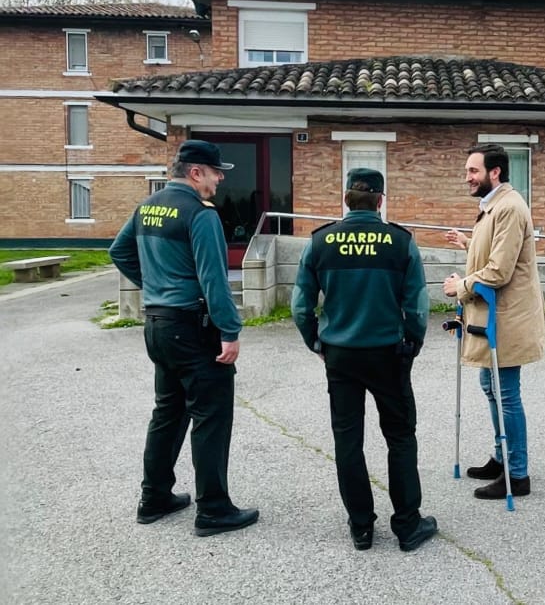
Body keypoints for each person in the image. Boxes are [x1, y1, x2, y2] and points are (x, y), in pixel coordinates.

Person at [109, 139, 259, 537]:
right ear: (195, 172)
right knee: (210, 417)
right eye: (215, 172)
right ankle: (213, 510)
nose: (220, 178)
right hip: (192, 328)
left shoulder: (148, 206)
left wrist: (155, 287)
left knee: (168, 413)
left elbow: (119, 252)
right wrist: (230, 331)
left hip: (158, 325)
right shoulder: (200, 214)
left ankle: (154, 497)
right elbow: (215, 280)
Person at [292, 168, 438, 552]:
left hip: (340, 355)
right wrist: (414, 342)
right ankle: (408, 525)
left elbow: (300, 304)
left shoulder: (320, 242)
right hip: (388, 353)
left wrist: (317, 342)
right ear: (380, 200)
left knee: (348, 440)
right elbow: (418, 305)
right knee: (401, 437)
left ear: (345, 199)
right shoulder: (400, 241)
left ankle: (361, 526)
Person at [443, 144, 545, 500]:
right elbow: (494, 251)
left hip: (508, 318)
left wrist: (461, 287)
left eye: (473, 171)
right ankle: (502, 459)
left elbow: (500, 270)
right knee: (491, 388)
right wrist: (468, 243)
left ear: (495, 173)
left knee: (506, 395)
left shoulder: (510, 208)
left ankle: (517, 475)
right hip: (494, 316)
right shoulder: (494, 207)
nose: (467, 177)